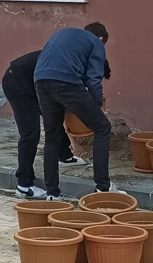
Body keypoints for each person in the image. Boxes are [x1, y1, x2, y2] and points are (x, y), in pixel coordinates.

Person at [35, 22, 122, 198]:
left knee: (52, 137)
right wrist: (97, 106)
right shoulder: (96, 42)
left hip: (40, 80)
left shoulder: (64, 33)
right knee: (102, 127)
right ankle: (103, 187)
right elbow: (93, 79)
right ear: (101, 38)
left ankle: (53, 194)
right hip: (66, 82)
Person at [2, 49, 94, 199]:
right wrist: (74, 139)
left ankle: (64, 155)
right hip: (17, 81)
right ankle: (24, 185)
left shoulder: (72, 62)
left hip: (32, 81)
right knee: (30, 133)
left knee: (53, 118)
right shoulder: (70, 67)